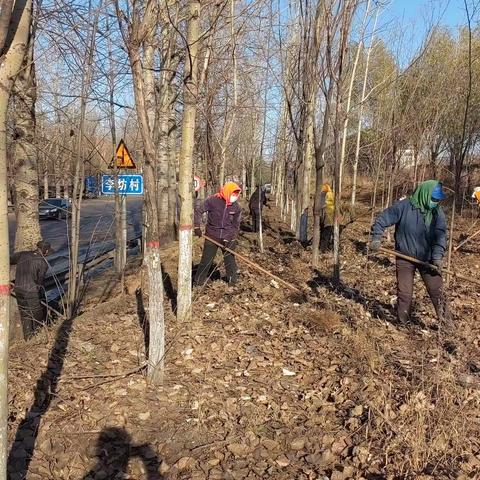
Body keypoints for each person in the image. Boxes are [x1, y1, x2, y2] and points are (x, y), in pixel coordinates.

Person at [370, 180, 448, 325]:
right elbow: (382, 219)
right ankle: (402, 322)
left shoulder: (437, 213)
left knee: (437, 292)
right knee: (404, 293)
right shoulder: (404, 206)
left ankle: (447, 326)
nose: (435, 202)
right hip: (404, 257)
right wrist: (376, 237)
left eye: (437, 200)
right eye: (433, 199)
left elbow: (441, 236)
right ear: (424, 194)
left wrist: (437, 257)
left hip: (428, 259)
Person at [194, 182, 242, 286]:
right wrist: (197, 227)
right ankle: (198, 282)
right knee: (206, 261)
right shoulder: (213, 201)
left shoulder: (236, 207)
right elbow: (198, 211)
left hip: (229, 237)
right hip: (212, 235)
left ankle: (232, 283)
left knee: (230, 260)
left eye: (236, 194)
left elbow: (235, 225)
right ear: (227, 191)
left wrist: (227, 238)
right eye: (233, 193)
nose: (235, 196)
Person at [11, 241, 52, 339]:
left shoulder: (22, 254)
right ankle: (39, 335)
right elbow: (40, 282)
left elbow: (9, 260)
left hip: (18, 289)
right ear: (45, 251)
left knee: (25, 314)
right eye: (47, 252)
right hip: (31, 291)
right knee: (37, 313)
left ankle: (28, 338)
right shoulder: (43, 263)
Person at [320, 183, 335, 252]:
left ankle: (323, 248)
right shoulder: (330, 195)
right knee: (327, 235)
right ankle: (324, 249)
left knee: (324, 234)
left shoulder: (322, 196)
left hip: (324, 219)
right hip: (329, 220)